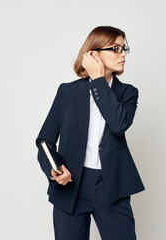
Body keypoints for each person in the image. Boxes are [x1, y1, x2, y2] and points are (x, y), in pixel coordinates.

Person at [35, 26, 145, 240]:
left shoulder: (128, 93)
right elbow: (44, 141)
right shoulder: (67, 92)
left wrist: (97, 81)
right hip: (71, 186)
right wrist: (54, 169)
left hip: (112, 186)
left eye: (125, 49)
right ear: (93, 53)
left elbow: (118, 124)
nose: (123, 54)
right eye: (116, 48)